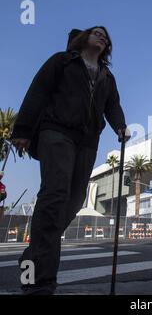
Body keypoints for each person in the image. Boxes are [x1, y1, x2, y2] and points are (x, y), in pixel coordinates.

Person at [11, 26, 130, 295]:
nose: (103, 36)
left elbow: (112, 105)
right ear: (83, 37)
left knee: (75, 199)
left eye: (106, 36)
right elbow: (38, 91)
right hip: (56, 131)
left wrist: (120, 126)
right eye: (97, 32)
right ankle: (39, 281)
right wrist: (23, 130)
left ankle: (33, 254)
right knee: (55, 194)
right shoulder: (62, 61)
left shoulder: (106, 76)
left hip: (87, 140)